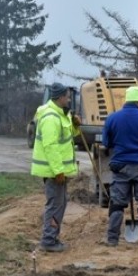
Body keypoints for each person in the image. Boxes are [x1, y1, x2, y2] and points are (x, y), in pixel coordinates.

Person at [101, 85, 138, 246]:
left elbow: (106, 142)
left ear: (126, 100)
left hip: (120, 166)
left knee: (117, 204)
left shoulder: (112, 118)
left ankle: (112, 239)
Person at [30, 83, 81, 252]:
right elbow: (50, 146)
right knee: (55, 205)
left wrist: (75, 125)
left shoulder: (61, 114)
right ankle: (48, 241)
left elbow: (68, 136)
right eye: (67, 97)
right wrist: (58, 171)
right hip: (53, 172)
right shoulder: (51, 118)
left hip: (58, 171)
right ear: (60, 97)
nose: (69, 99)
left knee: (60, 204)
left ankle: (52, 238)